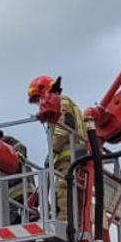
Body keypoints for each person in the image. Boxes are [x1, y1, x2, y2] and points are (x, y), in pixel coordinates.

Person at [27, 74, 87, 222]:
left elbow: (64, 127)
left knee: (63, 192)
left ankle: (66, 227)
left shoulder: (61, 101)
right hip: (78, 157)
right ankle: (76, 226)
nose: (39, 104)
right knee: (76, 195)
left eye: (38, 98)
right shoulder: (68, 103)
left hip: (69, 158)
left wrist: (53, 151)